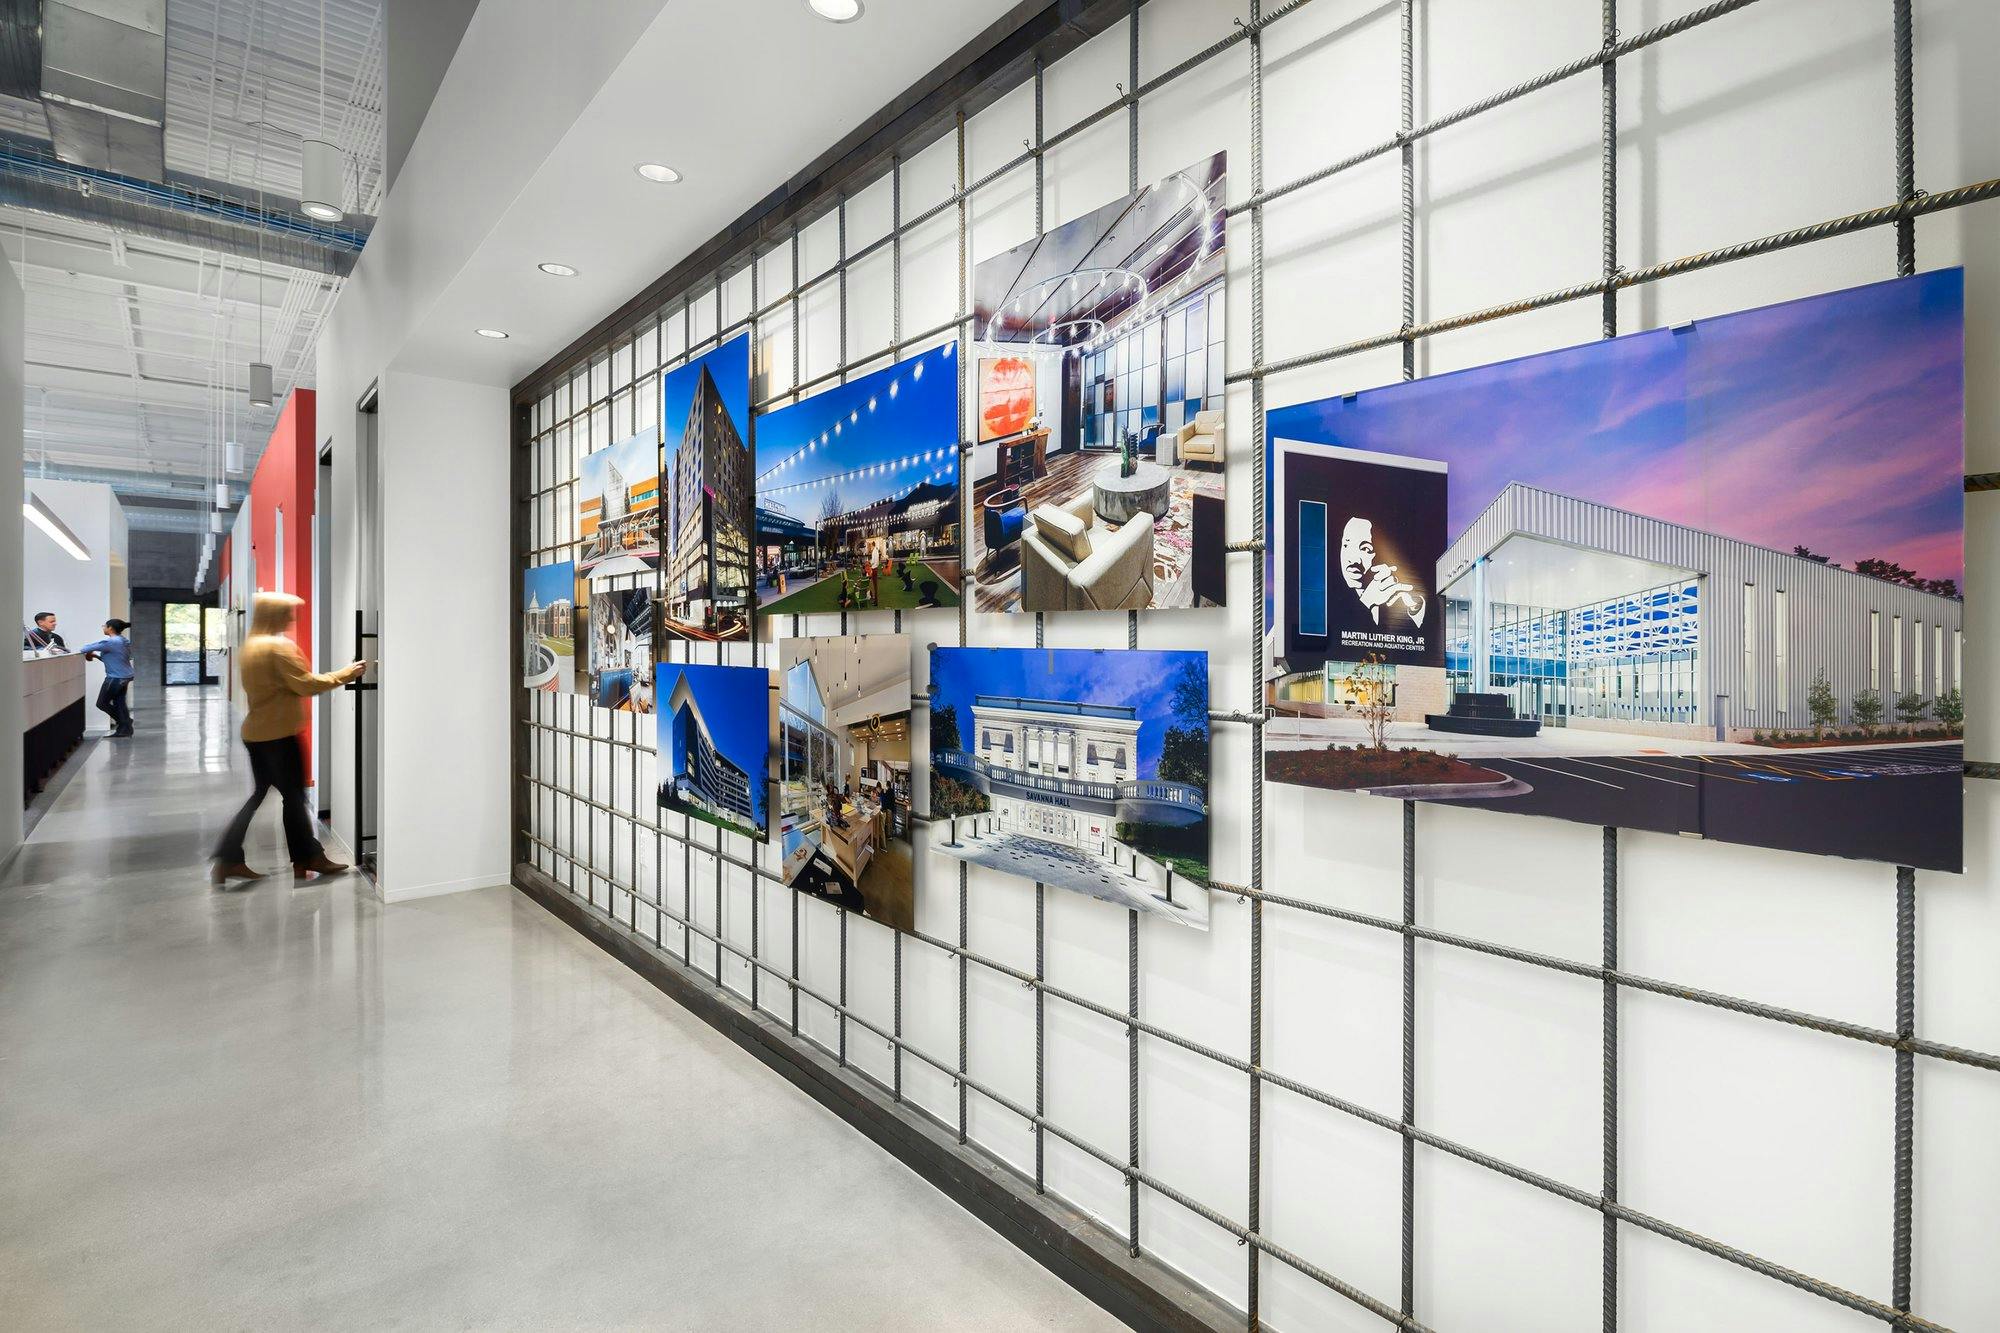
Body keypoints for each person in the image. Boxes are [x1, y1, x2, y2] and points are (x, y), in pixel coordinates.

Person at [211, 592, 368, 886]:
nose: (291, 618)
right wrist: (347, 673)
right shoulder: (277, 648)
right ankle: (305, 857)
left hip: (257, 733)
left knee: (271, 796)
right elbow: (306, 684)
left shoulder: (252, 646)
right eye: (287, 612)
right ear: (274, 615)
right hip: (279, 736)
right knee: (294, 798)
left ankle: (231, 859)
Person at [75, 619, 134, 737]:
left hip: (115, 678)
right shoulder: (123, 641)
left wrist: (91, 651)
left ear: (110, 628)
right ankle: (125, 729)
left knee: (102, 703)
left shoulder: (112, 642)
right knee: (119, 702)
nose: (103, 628)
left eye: (104, 626)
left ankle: (125, 722)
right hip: (125, 676)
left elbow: (84, 648)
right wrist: (97, 656)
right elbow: (115, 659)